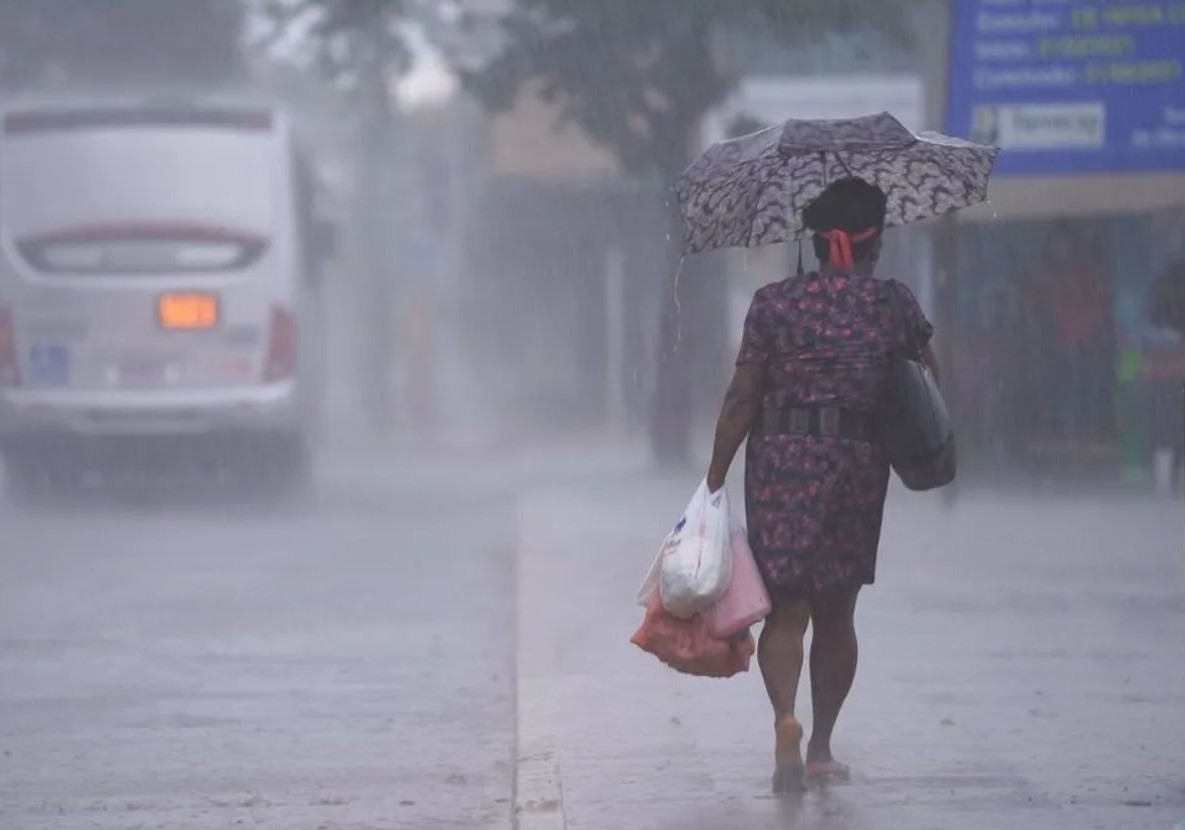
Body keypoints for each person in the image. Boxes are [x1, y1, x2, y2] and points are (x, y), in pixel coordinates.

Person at [704, 177, 939, 793]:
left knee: (785, 611)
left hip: (780, 460)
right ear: (874, 242)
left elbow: (741, 398)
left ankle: (785, 719)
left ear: (812, 240)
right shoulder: (892, 304)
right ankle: (823, 748)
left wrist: (714, 476)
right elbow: (927, 384)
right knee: (838, 611)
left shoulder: (773, 304)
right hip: (856, 462)